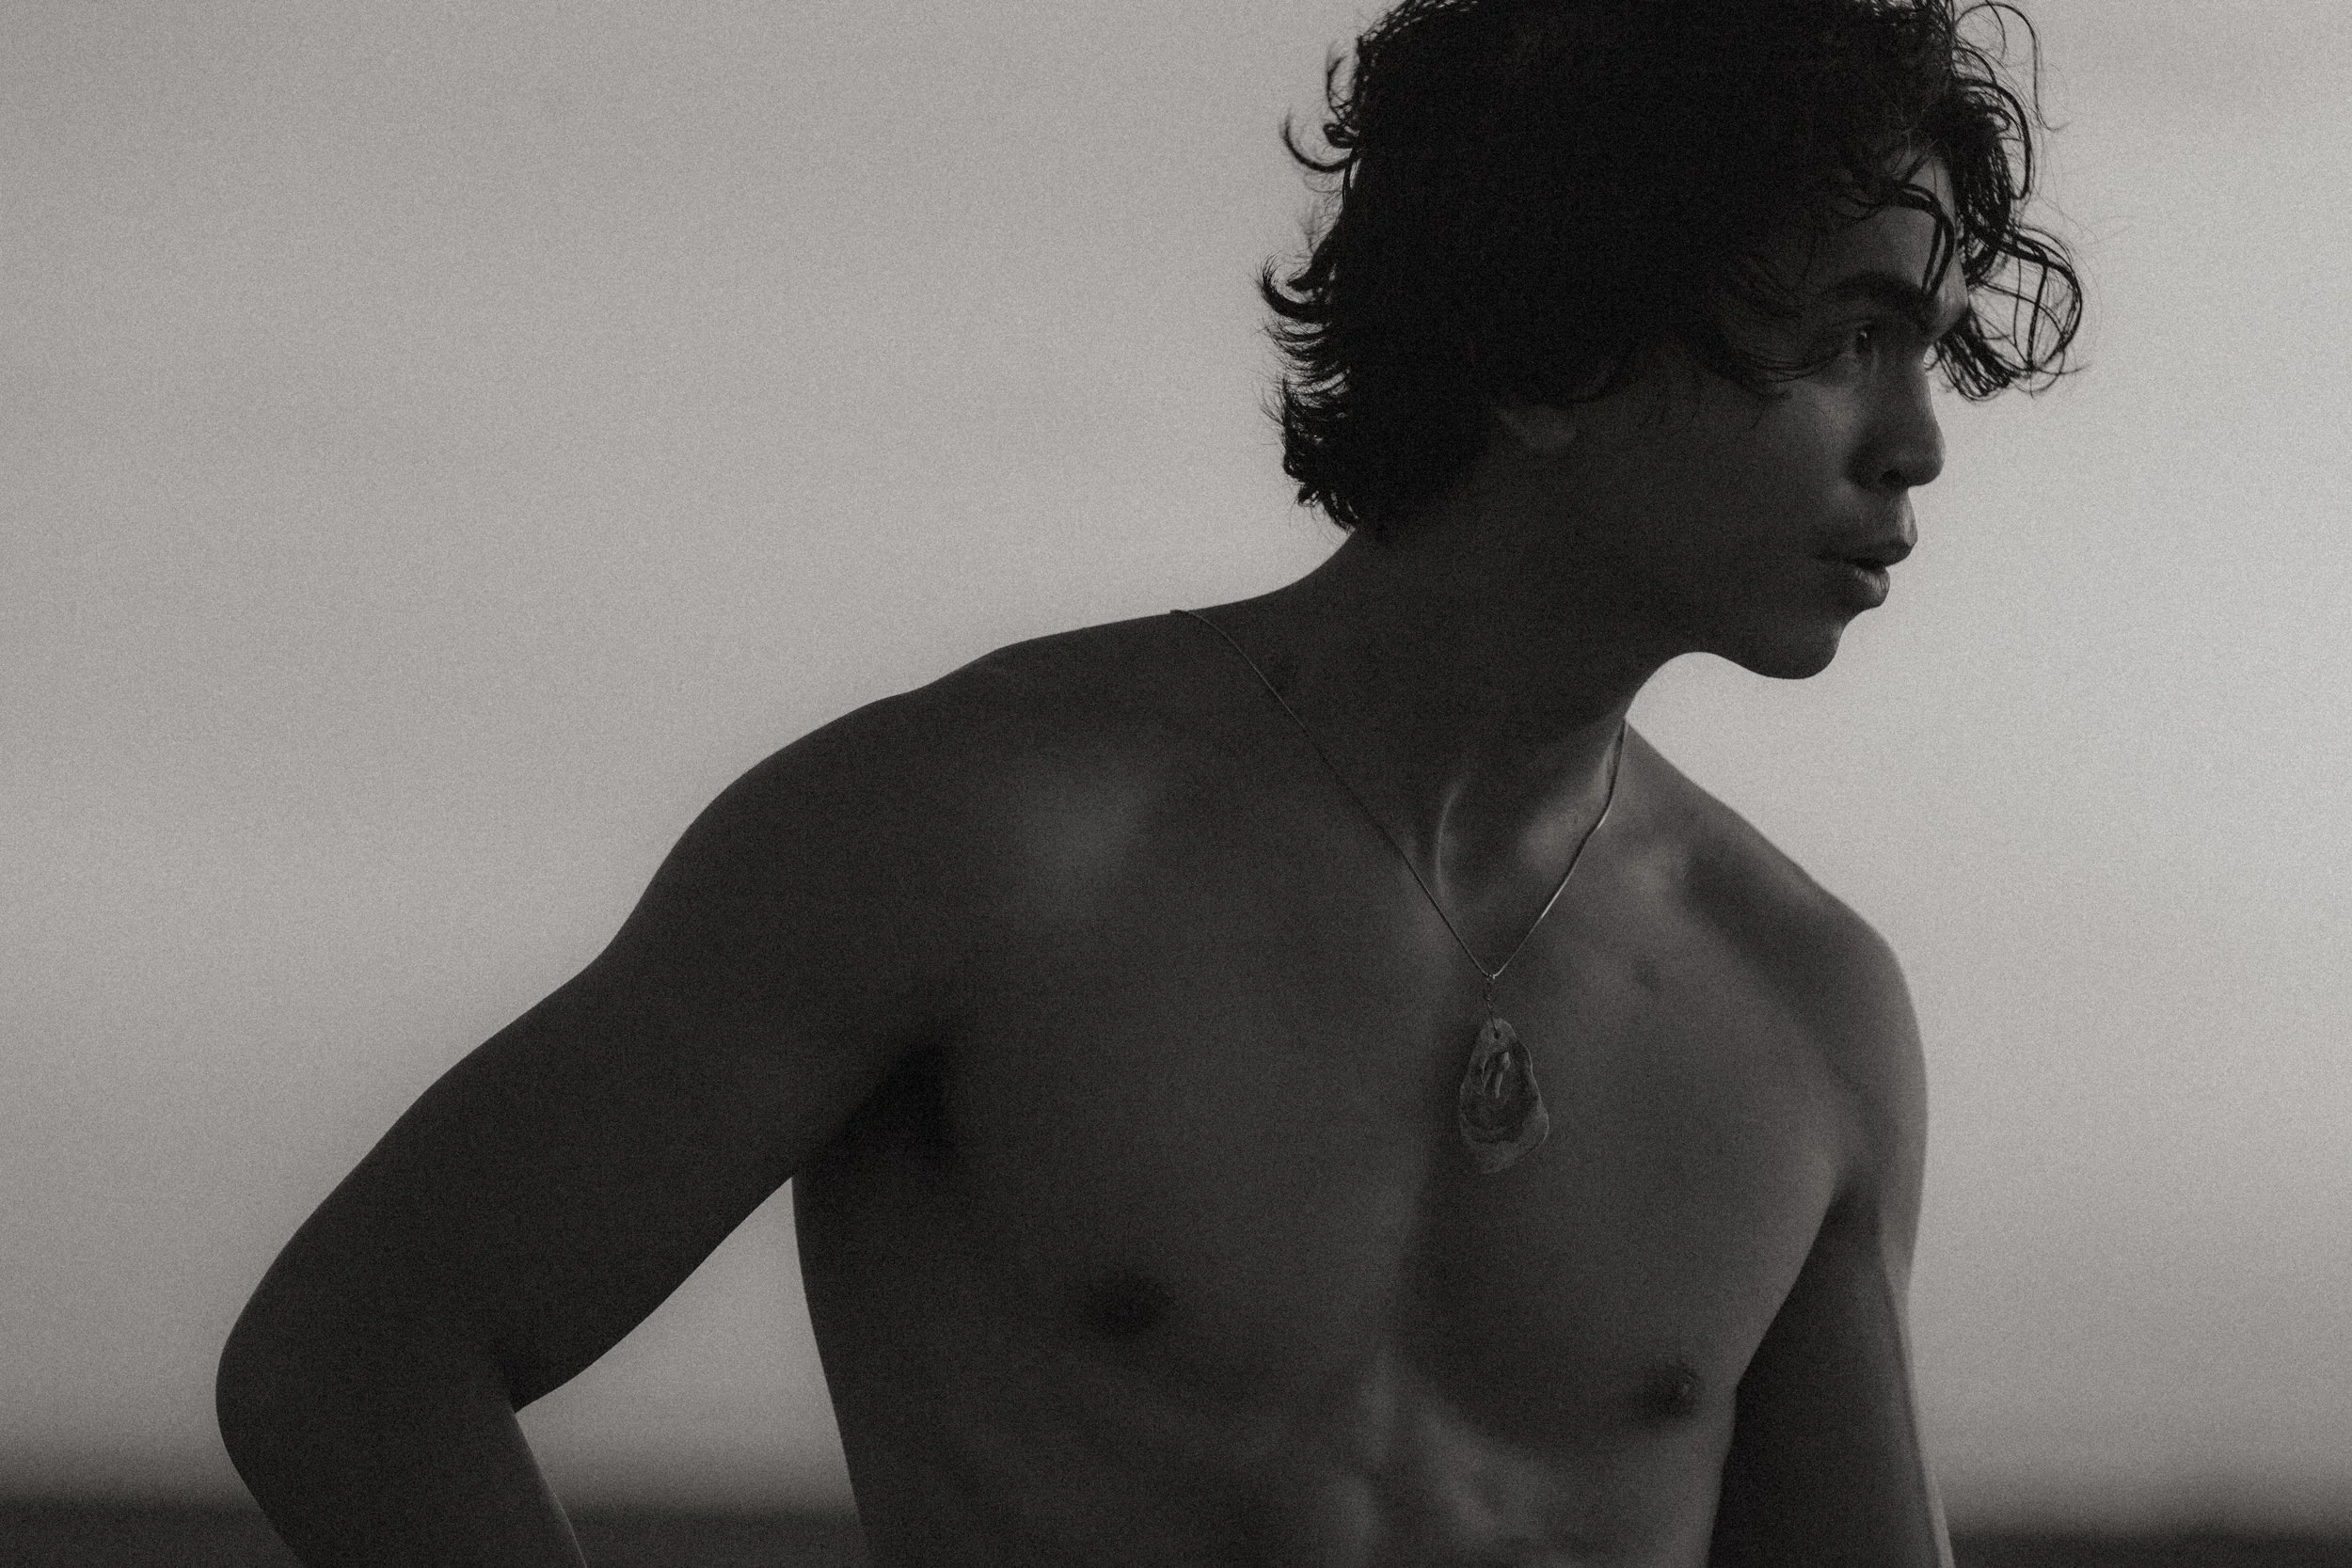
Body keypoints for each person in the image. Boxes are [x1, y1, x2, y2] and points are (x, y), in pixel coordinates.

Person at [215, 0, 2081, 1562]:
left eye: (1923, 346)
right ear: (1553, 346)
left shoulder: (1801, 1010)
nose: (1915, 441)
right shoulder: (991, 840)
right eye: (1845, 340)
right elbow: (359, 1352)